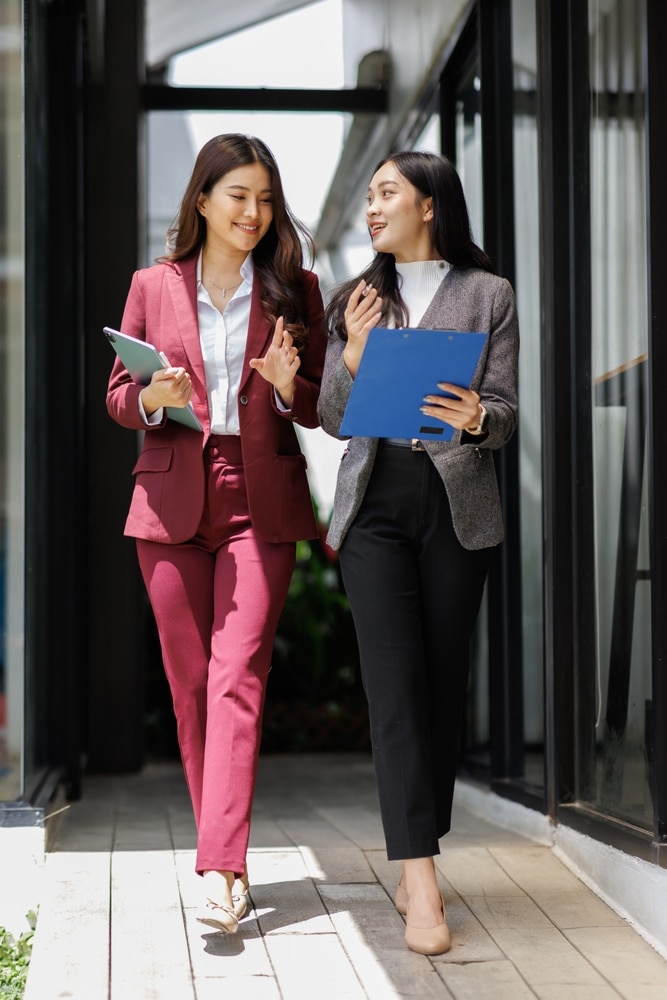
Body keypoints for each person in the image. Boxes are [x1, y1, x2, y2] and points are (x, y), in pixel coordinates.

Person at [107, 133, 327, 934]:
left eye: (265, 198)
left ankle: (222, 865)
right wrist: (153, 396)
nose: (254, 212)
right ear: (202, 199)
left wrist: (286, 385)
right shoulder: (151, 285)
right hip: (169, 504)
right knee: (192, 687)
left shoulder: (296, 287)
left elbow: (317, 404)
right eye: (238, 195)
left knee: (238, 675)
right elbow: (117, 400)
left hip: (258, 498)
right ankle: (221, 852)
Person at [318, 150, 519, 956]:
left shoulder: (487, 294)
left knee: (438, 688)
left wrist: (476, 415)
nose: (371, 209)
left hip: (454, 504)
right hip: (375, 506)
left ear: (429, 203)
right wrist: (357, 357)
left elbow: (504, 412)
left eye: (385, 194)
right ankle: (421, 878)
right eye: (368, 197)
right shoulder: (356, 300)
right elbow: (334, 417)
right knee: (394, 690)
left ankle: (415, 850)